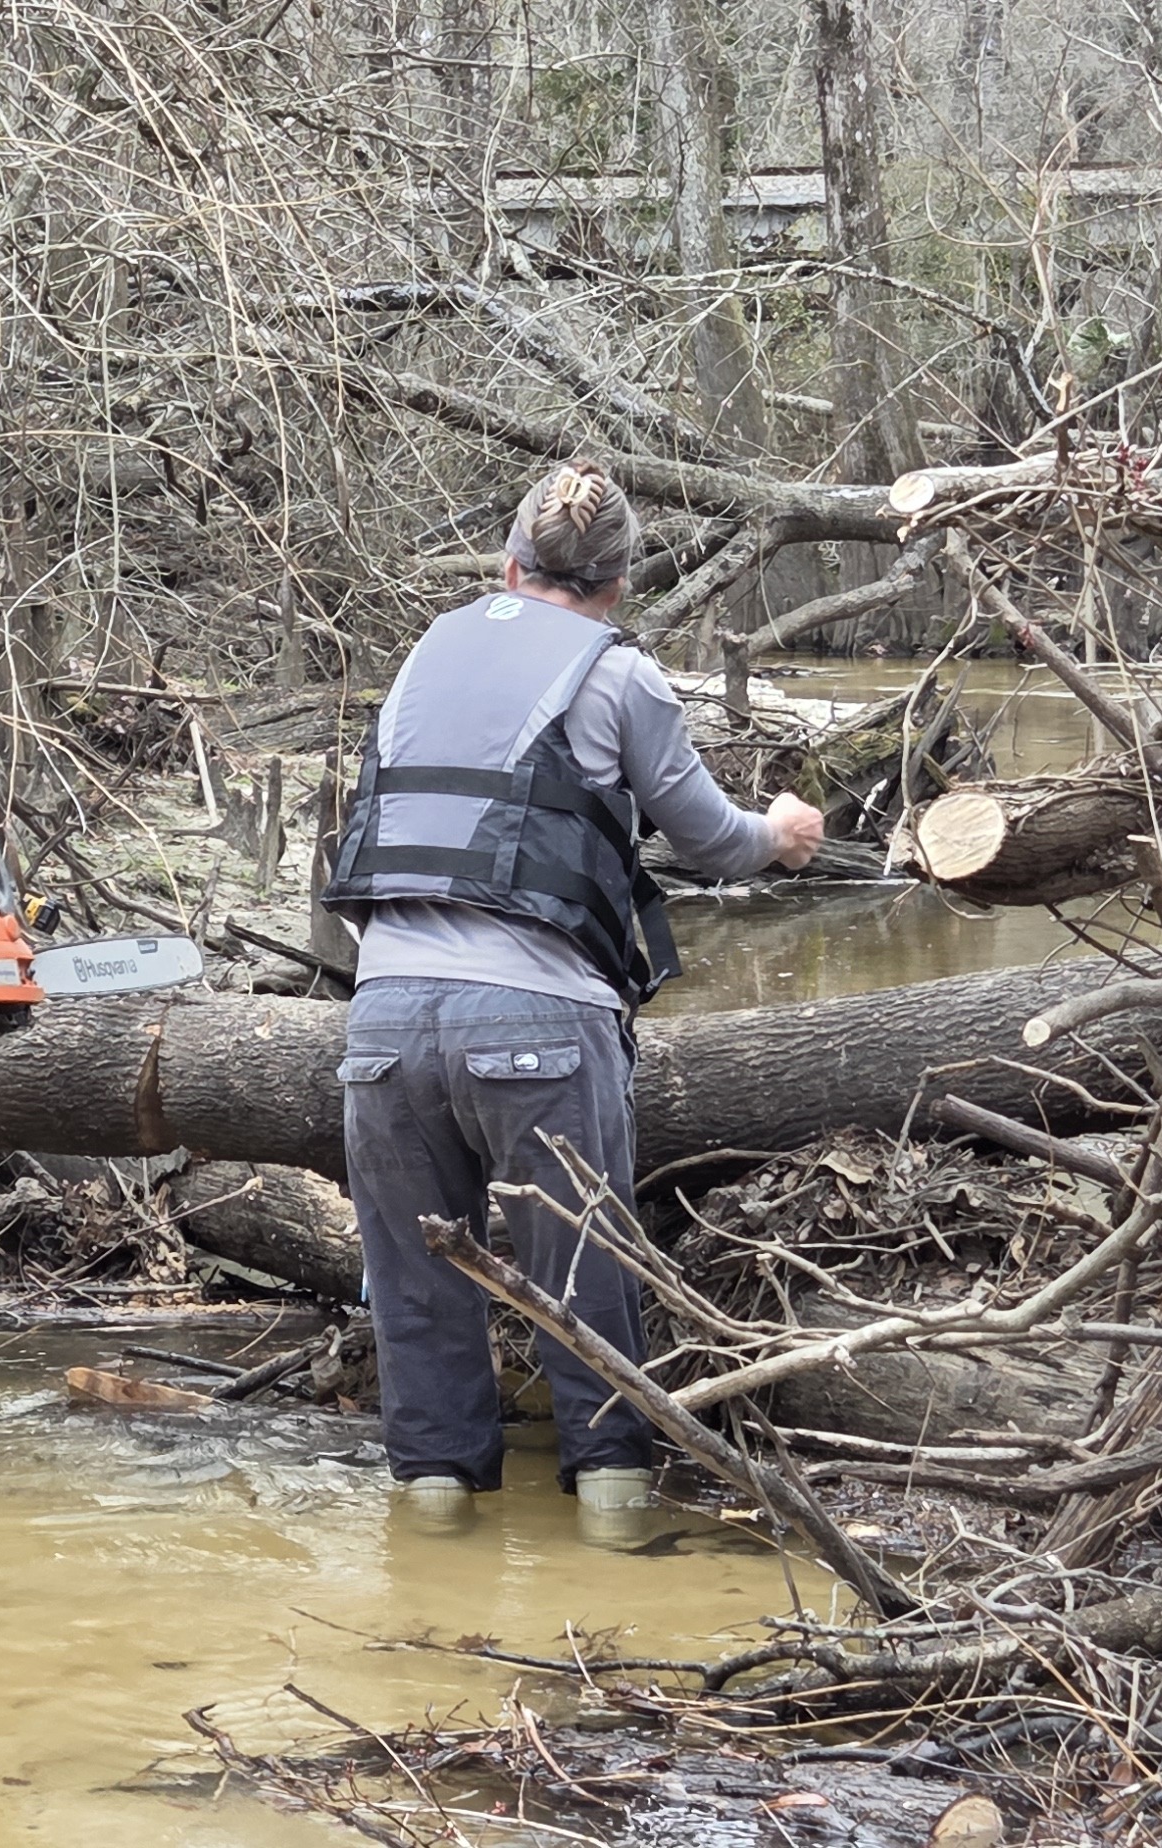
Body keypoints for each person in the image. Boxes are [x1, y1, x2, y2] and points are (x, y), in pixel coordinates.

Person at [318, 461, 826, 1526]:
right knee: (584, 1289)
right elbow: (709, 843)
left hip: (383, 1025)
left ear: (505, 566)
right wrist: (780, 836)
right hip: (537, 1028)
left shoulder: (425, 654)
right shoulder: (620, 676)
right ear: (618, 584)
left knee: (417, 1297)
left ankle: (433, 1527)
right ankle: (609, 1521)